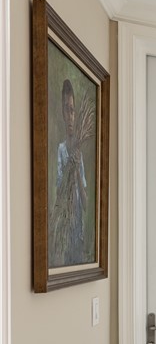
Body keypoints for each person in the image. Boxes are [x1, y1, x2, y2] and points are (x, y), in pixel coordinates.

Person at [51, 78, 90, 267]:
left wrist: (76, 171)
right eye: (67, 109)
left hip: (78, 233)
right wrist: (69, 168)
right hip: (66, 231)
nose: (70, 115)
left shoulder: (78, 154)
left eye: (72, 110)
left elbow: (85, 203)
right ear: (62, 113)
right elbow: (59, 194)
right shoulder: (60, 150)